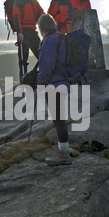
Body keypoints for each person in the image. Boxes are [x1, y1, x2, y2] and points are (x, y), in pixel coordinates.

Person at [37, 14, 72, 166]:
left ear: (41, 28)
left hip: (54, 84)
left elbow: (46, 67)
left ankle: (64, 155)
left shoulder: (49, 40)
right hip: (63, 82)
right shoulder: (59, 38)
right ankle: (63, 150)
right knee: (60, 118)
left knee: (58, 119)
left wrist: (40, 83)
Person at [13, 0, 45, 80]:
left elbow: (41, 12)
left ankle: (44, 77)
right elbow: (16, 17)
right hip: (23, 31)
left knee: (42, 54)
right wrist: (20, 32)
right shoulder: (19, 0)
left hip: (32, 30)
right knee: (23, 59)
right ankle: (23, 81)